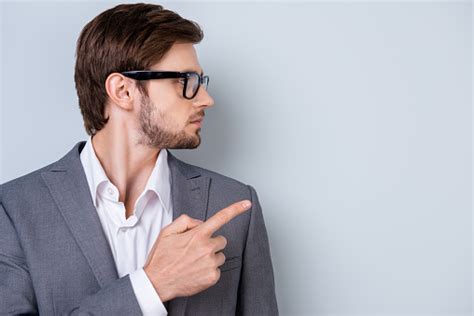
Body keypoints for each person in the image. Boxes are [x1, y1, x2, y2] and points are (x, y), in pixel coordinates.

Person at [0, 3, 278, 315]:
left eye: (201, 81)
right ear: (123, 90)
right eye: (185, 81)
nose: (206, 99)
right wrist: (152, 285)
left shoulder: (234, 204)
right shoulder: (13, 209)